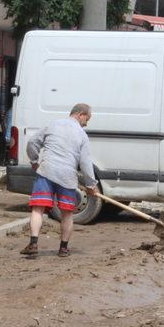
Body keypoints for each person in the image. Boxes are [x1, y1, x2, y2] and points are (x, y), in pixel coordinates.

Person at [20, 103, 98, 257]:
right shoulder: (82, 135)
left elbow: (32, 143)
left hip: (47, 171)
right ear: (80, 114)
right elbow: (86, 162)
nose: (86, 124)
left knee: (38, 209)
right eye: (86, 119)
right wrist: (91, 184)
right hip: (67, 176)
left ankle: (33, 244)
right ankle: (63, 248)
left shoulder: (52, 125)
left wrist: (34, 161)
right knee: (67, 213)